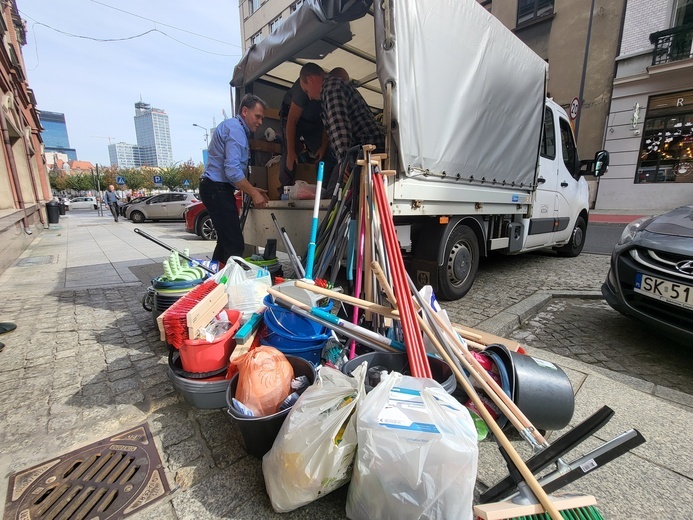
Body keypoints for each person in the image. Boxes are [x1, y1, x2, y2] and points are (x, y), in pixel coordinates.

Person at [199, 94, 270, 265]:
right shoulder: (236, 130)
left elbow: (231, 173)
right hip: (217, 189)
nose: (260, 122)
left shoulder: (233, 127)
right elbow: (232, 171)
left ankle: (214, 283)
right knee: (234, 244)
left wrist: (252, 191)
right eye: (257, 116)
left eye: (262, 118)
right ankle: (228, 287)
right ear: (245, 111)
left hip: (215, 188)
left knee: (225, 241)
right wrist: (253, 193)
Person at [299, 62, 385, 194]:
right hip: (367, 147)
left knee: (334, 190)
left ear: (310, 79)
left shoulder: (331, 88)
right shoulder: (336, 86)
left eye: (306, 91)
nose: (309, 96)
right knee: (338, 188)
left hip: (367, 149)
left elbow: (339, 126)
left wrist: (344, 162)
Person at [279, 68, 349, 195]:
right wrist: (291, 152)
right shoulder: (304, 91)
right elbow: (292, 121)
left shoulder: (330, 94)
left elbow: (327, 124)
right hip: (295, 120)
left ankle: (324, 191)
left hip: (314, 122)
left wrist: (323, 146)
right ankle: (285, 190)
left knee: (324, 154)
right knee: (290, 155)